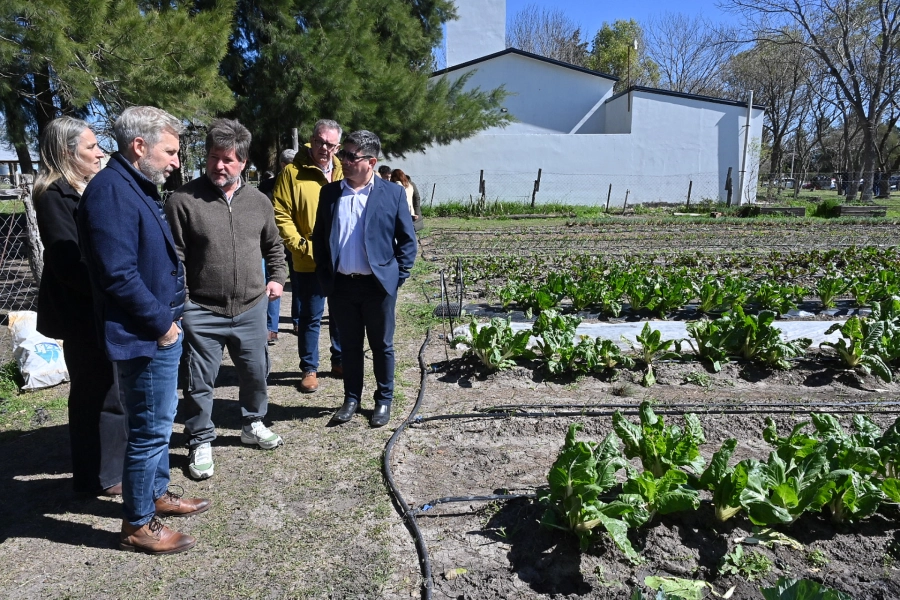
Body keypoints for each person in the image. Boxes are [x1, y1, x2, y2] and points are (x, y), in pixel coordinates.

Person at [78, 106, 209, 555]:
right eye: (170, 151)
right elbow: (118, 275)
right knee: (150, 430)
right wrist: (162, 326)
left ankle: (155, 493)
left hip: (158, 329)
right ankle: (137, 523)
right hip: (145, 334)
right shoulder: (111, 192)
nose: (176, 161)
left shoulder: (132, 185)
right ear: (139, 146)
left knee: (159, 422)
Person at [166, 119, 286, 481]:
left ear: (243, 162)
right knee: (199, 381)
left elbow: (274, 246)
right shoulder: (183, 200)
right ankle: (200, 438)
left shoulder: (259, 202)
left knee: (255, 372)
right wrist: (183, 303)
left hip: (251, 307)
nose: (219, 165)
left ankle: (253, 422)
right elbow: (174, 258)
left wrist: (277, 278)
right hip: (202, 309)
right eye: (213, 157)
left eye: (228, 159)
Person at [33, 116, 127, 497]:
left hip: (99, 304)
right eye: (91, 147)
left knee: (110, 388)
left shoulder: (88, 187)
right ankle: (96, 477)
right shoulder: (53, 195)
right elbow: (68, 262)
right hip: (81, 310)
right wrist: (112, 286)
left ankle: (110, 468)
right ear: (67, 152)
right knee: (94, 392)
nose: (100, 152)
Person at [311, 130, 417, 428]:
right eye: (342, 154)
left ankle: (383, 400)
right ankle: (351, 398)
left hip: (378, 285)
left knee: (382, 345)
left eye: (350, 156)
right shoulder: (330, 193)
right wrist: (325, 273)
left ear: (371, 161)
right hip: (342, 286)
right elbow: (320, 238)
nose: (343, 160)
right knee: (349, 346)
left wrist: (396, 277)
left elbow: (407, 241)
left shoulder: (392, 193)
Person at [273, 120, 343, 393]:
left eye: (330, 144)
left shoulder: (343, 170)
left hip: (341, 259)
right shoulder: (292, 173)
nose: (324, 148)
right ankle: (309, 369)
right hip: (308, 258)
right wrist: (301, 245)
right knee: (310, 317)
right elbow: (281, 213)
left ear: (338, 146)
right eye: (320, 141)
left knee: (340, 313)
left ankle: (339, 360)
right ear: (311, 140)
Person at [259, 149, 298, 341]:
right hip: (272, 241)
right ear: (283, 165)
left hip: (296, 240)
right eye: (292, 164)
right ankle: (271, 327)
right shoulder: (266, 186)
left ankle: (298, 321)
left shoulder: (301, 184)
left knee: (298, 280)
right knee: (273, 281)